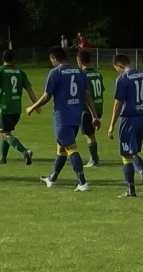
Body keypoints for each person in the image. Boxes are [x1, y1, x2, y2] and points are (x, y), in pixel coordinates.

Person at [27, 47, 99, 191]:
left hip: (63, 116)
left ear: (54, 58)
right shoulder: (79, 72)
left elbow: (47, 96)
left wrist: (32, 107)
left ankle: (82, 182)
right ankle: (52, 178)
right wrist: (94, 115)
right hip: (76, 115)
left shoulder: (55, 73)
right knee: (61, 147)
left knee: (70, 148)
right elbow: (87, 95)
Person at [109, 54, 143, 197]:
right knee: (133, 152)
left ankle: (133, 188)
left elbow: (118, 104)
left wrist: (111, 125)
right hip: (142, 119)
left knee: (126, 154)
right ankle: (141, 177)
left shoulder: (122, 79)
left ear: (119, 65)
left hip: (128, 120)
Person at [0, 49, 37, 165]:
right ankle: (3, 158)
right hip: (17, 108)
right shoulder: (20, 72)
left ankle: (25, 151)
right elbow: (29, 90)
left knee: (6, 134)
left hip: (5, 107)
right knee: (4, 132)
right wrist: (35, 104)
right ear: (14, 59)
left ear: (2, 59)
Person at [76, 50, 104, 167]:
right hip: (98, 107)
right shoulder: (98, 74)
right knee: (91, 133)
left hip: (88, 109)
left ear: (79, 61)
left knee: (89, 135)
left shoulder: (82, 75)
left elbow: (84, 94)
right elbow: (101, 91)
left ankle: (94, 159)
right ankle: (94, 158)